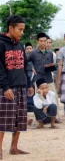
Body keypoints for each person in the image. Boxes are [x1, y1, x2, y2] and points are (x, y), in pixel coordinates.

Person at [0, 15, 34, 159]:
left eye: (23, 30)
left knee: (19, 119)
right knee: (3, 119)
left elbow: (26, 66)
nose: (21, 32)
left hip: (21, 86)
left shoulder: (20, 45)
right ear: (11, 28)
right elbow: (0, 68)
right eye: (19, 29)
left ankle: (14, 148)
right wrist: (5, 87)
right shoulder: (1, 44)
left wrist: (30, 84)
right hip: (7, 87)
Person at [28, 33, 61, 123]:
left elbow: (54, 65)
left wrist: (52, 66)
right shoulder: (33, 53)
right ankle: (41, 119)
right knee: (39, 98)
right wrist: (31, 68)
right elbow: (25, 62)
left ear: (47, 42)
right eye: (41, 41)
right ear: (37, 41)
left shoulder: (50, 54)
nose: (43, 43)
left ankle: (55, 117)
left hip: (48, 79)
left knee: (53, 98)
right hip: (38, 79)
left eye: (45, 41)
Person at [25, 42, 35, 125]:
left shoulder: (34, 57)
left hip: (32, 80)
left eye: (30, 48)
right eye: (27, 49)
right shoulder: (25, 58)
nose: (29, 50)